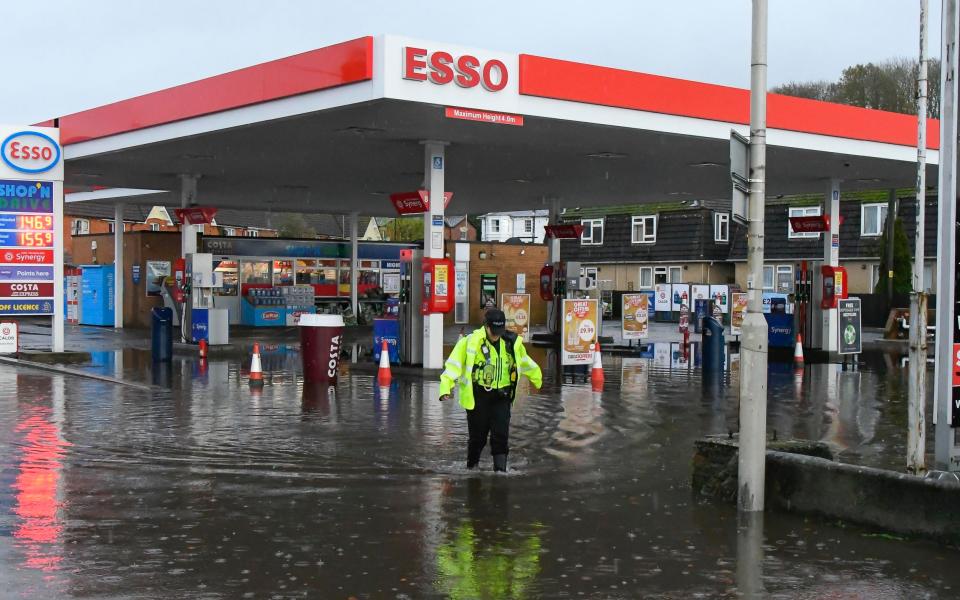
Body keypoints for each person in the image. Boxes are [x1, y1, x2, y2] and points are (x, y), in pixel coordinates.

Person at [439, 309, 542, 472]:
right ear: (486, 326)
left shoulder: (511, 343)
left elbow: (525, 362)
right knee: (478, 438)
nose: (496, 335)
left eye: (499, 332)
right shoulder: (470, 342)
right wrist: (446, 387)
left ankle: (500, 473)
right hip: (478, 397)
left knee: (501, 436)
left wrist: (538, 380)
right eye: (493, 331)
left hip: (502, 396)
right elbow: (453, 365)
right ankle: (471, 468)